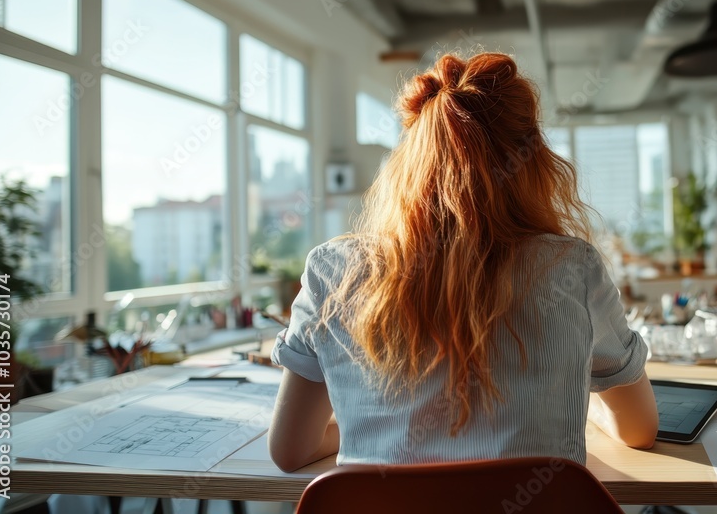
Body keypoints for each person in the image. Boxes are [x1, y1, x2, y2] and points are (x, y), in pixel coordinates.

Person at [268, 52, 659, 472]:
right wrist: (591, 409)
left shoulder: (333, 271)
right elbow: (639, 429)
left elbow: (291, 451)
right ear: (533, 163)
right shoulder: (572, 269)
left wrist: (369, 423)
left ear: (408, 163)